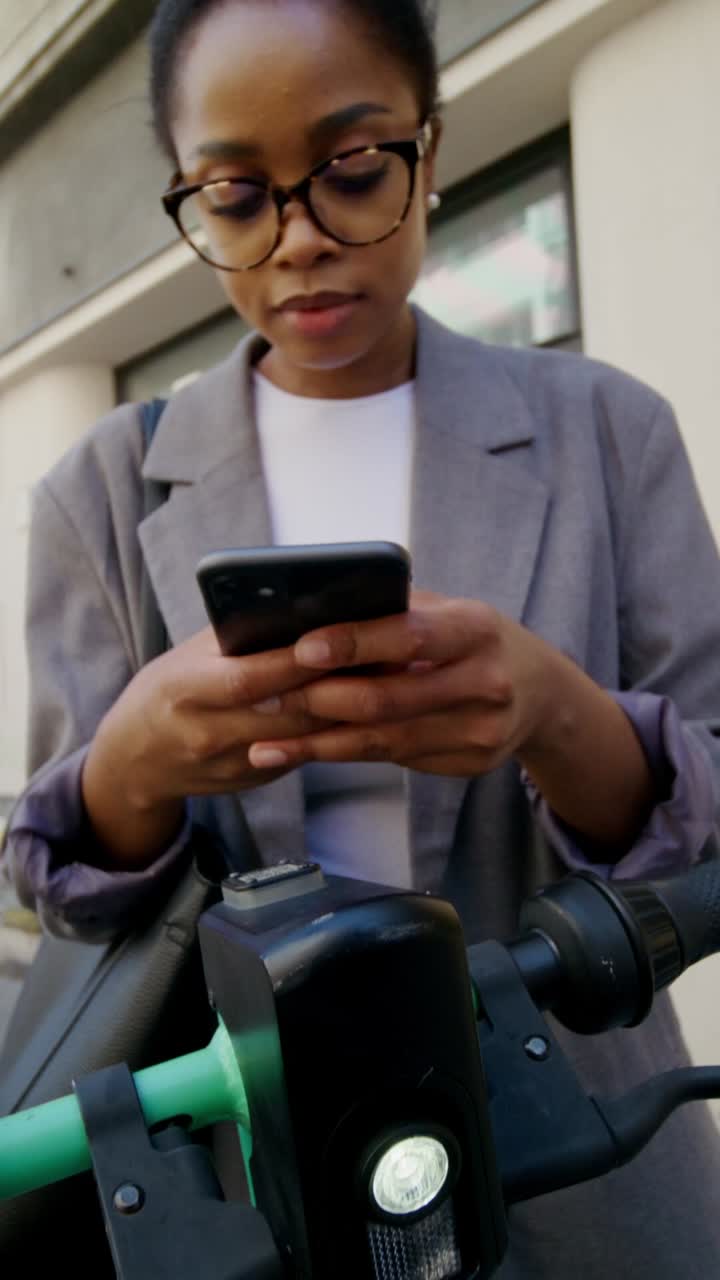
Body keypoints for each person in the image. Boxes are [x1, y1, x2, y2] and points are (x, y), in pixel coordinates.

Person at [5, 0, 720, 1273]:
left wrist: (559, 714)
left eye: (353, 171)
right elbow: (57, 872)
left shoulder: (611, 431)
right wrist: (137, 763)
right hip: (261, 1173)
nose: (301, 242)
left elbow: (710, 827)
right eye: (235, 196)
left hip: (589, 1143)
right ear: (188, 198)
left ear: (429, 153)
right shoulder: (101, 491)